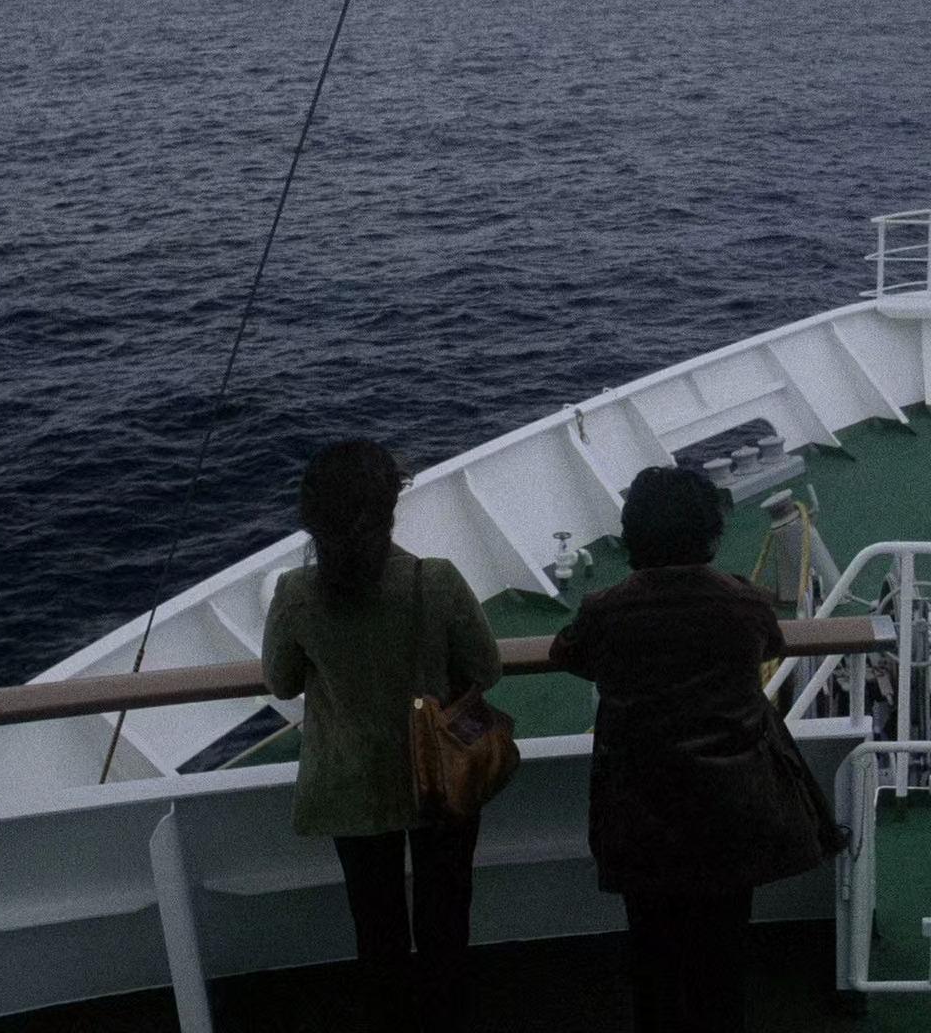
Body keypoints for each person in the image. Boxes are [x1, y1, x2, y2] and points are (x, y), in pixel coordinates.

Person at [550, 466, 843, 1033]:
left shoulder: (605, 610)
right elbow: (770, 644)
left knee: (652, 957)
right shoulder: (743, 603)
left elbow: (570, 655)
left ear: (633, 535)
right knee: (722, 958)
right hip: (731, 807)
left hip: (640, 809)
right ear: (710, 535)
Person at [263, 439, 501, 1032]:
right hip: (440, 776)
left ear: (312, 519)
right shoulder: (435, 581)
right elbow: (487, 669)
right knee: (446, 921)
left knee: (376, 929)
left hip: (350, 783)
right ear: (391, 507)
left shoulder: (295, 593)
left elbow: (282, 682)